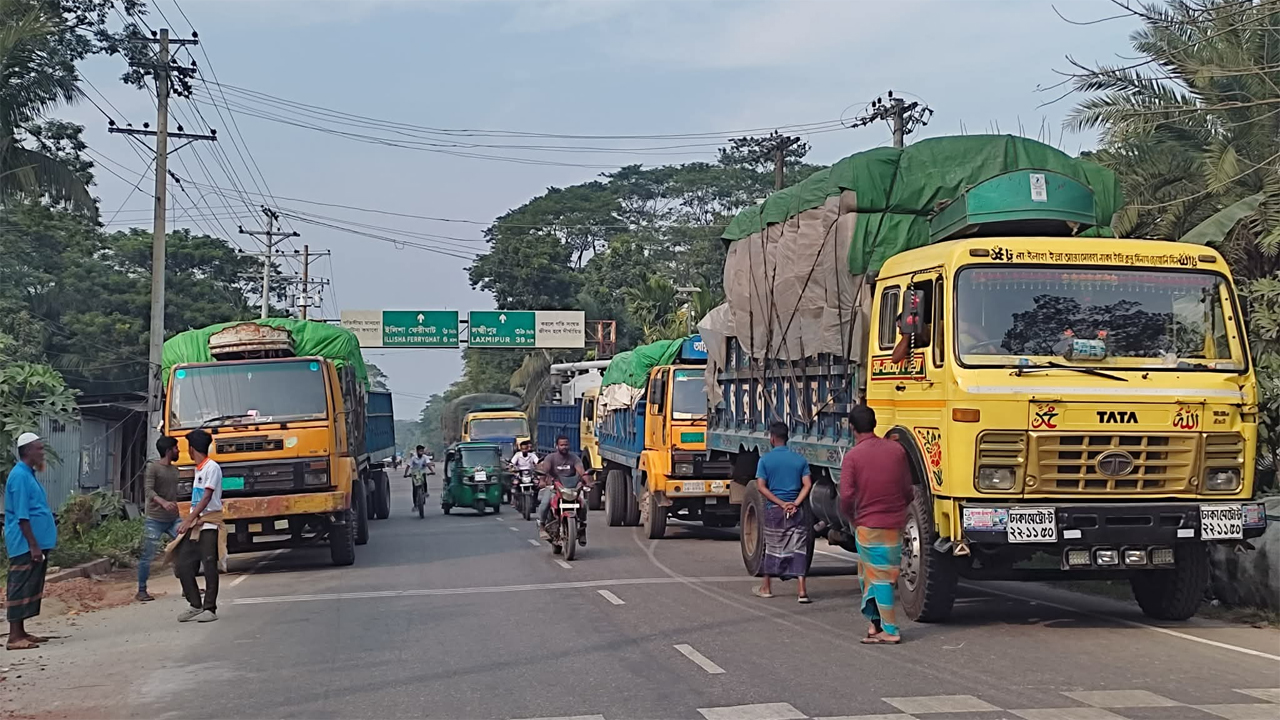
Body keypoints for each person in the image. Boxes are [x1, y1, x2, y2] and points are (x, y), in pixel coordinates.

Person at [839, 405, 915, 645]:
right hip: (894, 523)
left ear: (852, 428)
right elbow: (907, 488)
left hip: (868, 524)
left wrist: (851, 516)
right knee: (872, 572)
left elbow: (847, 496)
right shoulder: (897, 451)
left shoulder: (853, 456)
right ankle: (875, 625)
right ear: (874, 423)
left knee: (877, 575)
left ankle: (890, 629)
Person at [751, 422, 814, 603]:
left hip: (775, 511)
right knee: (799, 549)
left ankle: (766, 587)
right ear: (787, 438)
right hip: (797, 511)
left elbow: (761, 487)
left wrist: (781, 503)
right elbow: (807, 484)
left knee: (772, 548)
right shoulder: (800, 460)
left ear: (772, 438)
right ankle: (802, 590)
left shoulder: (765, 460)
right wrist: (794, 503)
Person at [5, 433, 57, 651]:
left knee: (31, 585)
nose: (42, 453)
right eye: (39, 449)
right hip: (24, 543)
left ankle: (22, 631)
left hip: (35, 542)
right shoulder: (19, 476)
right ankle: (14, 637)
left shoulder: (29, 474)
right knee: (20, 584)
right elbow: (22, 515)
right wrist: (33, 545)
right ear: (27, 451)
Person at [174, 429, 223, 623]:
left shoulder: (212, 467)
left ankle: (210, 608)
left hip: (209, 522)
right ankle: (195, 604)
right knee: (183, 564)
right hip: (196, 523)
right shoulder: (199, 469)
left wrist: (189, 519)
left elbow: (207, 496)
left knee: (209, 564)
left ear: (192, 448)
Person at [137, 436, 182, 602]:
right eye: (176, 448)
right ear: (169, 450)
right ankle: (141, 590)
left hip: (173, 519)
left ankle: (188, 586)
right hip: (154, 519)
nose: (178, 451)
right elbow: (148, 491)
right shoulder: (153, 468)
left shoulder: (175, 470)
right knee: (147, 555)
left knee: (185, 549)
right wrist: (163, 503)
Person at [535, 436, 591, 542]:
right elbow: (544, 470)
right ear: (557, 446)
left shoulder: (574, 458)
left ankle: (582, 528)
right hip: (554, 487)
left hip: (571, 488)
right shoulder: (550, 458)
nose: (564, 447)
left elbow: (582, 472)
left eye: (566, 444)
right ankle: (542, 525)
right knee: (545, 503)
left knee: (583, 504)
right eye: (562, 445)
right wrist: (542, 481)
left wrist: (588, 482)